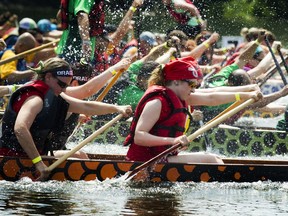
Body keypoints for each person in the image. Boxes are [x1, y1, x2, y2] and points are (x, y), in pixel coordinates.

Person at [0, 57, 132, 180]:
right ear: (48, 77)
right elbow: (20, 129)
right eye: (62, 85)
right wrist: (38, 163)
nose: (64, 90)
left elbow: (86, 106)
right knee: (79, 159)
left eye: (66, 86)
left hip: (30, 156)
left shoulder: (54, 94)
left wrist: (116, 108)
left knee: (80, 156)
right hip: (13, 158)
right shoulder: (35, 99)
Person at [124, 56, 261, 163]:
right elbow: (139, 137)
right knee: (212, 161)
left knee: (216, 159)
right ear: (176, 81)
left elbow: (211, 96)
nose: (194, 89)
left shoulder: (180, 97)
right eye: (191, 84)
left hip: (160, 157)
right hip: (145, 161)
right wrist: (172, 141)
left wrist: (246, 93)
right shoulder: (157, 102)